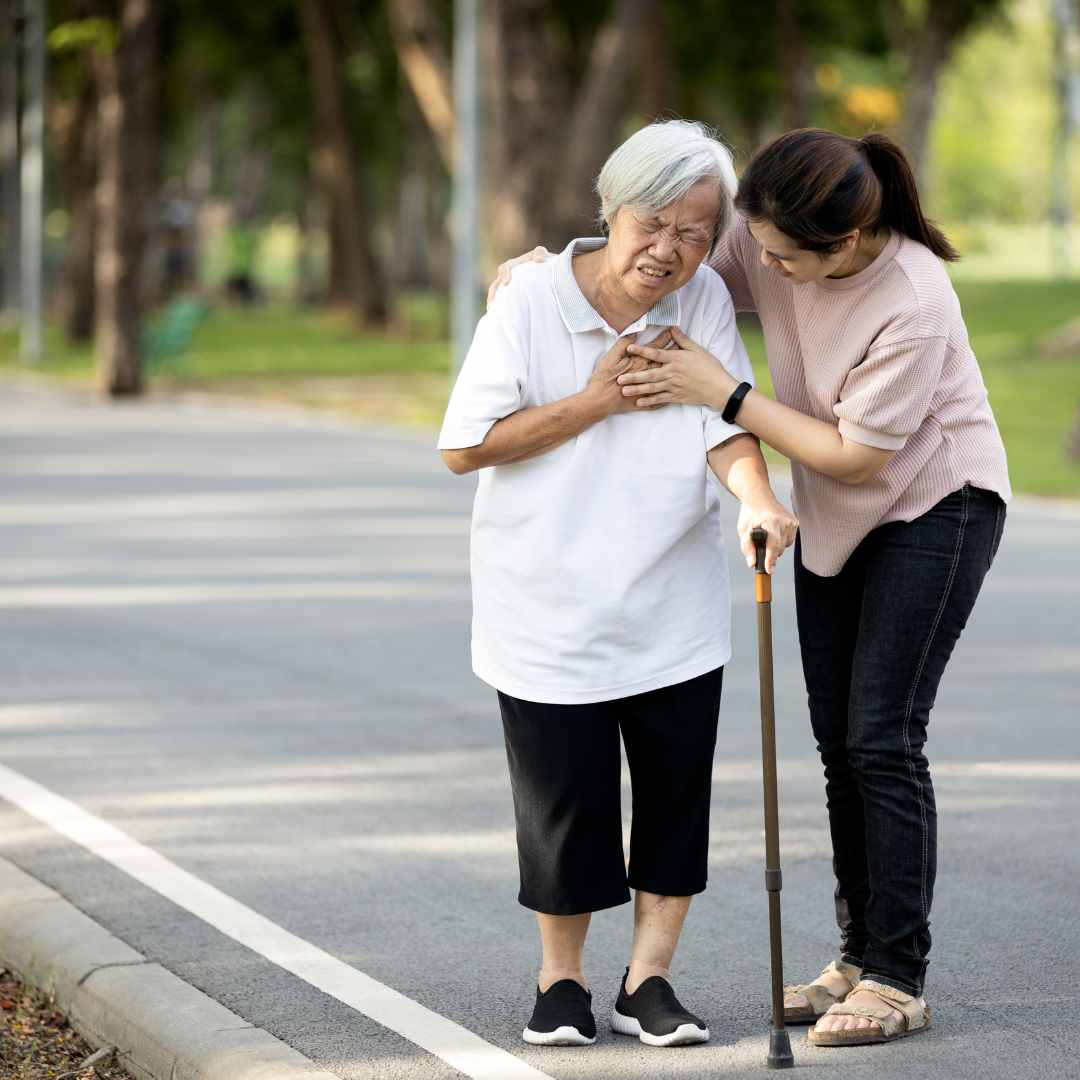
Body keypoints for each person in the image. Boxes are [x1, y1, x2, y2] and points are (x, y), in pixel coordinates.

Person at [493, 127, 1010, 1049]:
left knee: (884, 739)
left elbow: (855, 455)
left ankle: (896, 976)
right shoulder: (765, 232)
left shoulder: (914, 300)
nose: (754, 264)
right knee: (838, 745)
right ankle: (855, 957)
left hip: (936, 506)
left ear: (843, 246)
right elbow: (662, 262)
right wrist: (547, 270)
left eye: (777, 259)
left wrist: (723, 393)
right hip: (839, 515)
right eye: (753, 243)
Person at [438, 120, 798, 1049]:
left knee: (675, 798)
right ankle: (562, 982)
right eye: (654, 223)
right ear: (610, 206)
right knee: (566, 807)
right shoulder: (527, 300)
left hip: (670, 602)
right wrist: (598, 399)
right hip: (544, 606)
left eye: (695, 231)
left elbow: (722, 422)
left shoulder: (703, 298)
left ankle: (650, 981)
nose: (669, 250)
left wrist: (757, 496)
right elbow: (464, 445)